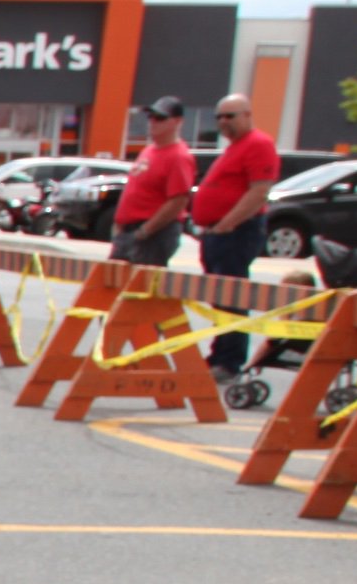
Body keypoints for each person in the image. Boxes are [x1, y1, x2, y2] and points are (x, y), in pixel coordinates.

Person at [192, 93, 286, 374]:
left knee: (231, 296)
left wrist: (227, 223)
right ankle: (220, 354)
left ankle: (228, 360)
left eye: (230, 116)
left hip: (237, 232)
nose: (223, 122)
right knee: (219, 297)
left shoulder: (258, 144)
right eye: (219, 116)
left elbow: (259, 190)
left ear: (247, 115)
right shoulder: (234, 147)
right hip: (216, 233)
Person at [111, 98, 194, 272]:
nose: (153, 122)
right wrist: (120, 224)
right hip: (129, 231)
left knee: (141, 289)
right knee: (114, 282)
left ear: (177, 122)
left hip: (153, 233)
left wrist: (146, 231)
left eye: (160, 118)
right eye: (151, 117)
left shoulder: (178, 156)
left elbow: (178, 200)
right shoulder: (149, 150)